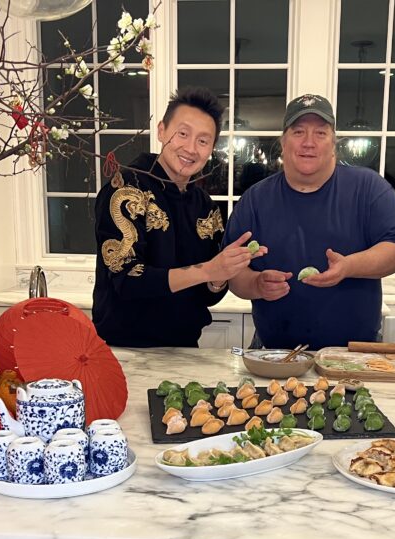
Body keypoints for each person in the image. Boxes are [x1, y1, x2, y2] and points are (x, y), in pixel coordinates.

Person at [224, 94, 395, 350]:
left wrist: (348, 266)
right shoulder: (255, 200)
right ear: (283, 142)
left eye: (320, 133)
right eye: (298, 132)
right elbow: (233, 273)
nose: (308, 143)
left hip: (355, 354)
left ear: (333, 143)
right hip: (273, 353)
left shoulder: (369, 188)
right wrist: (256, 285)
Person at [92, 86, 266, 347]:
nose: (191, 148)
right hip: (124, 350)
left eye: (203, 141)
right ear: (162, 131)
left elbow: (207, 296)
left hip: (185, 349)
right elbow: (126, 280)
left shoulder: (204, 206)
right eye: (183, 134)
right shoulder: (126, 189)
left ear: (211, 149)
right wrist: (207, 270)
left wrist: (221, 274)